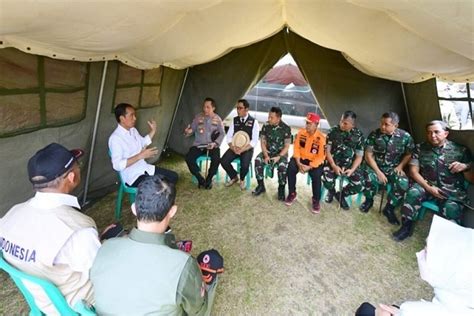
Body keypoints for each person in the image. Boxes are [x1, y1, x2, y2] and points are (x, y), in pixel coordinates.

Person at [91, 176, 222, 315]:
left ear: (134, 209)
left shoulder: (105, 247)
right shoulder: (183, 265)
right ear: (172, 211)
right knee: (211, 265)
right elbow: (198, 312)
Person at [0, 143, 99, 314]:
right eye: (78, 166)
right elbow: (100, 271)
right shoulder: (78, 230)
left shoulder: (10, 215)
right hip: (77, 305)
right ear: (71, 177)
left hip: (40, 300)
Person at [356, 215, 473, 316]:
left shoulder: (411, 310)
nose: (420, 254)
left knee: (365, 310)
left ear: (448, 265)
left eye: (427, 252)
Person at [392, 120, 472, 241]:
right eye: (429, 133)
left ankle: (446, 240)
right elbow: (414, 172)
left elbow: (471, 179)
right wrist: (429, 188)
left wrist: (465, 167)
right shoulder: (420, 148)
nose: (432, 136)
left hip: (451, 191)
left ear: (446, 133)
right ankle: (406, 227)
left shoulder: (461, 150)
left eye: (436, 132)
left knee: (452, 208)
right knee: (413, 193)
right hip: (426, 185)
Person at [360, 112, 414, 225]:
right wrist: (378, 172)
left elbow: (409, 154)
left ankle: (389, 208)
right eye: (381, 123)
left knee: (403, 182)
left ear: (395, 125)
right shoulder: (374, 134)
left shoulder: (405, 137)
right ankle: (369, 201)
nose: (382, 127)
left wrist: (400, 166)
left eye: (386, 124)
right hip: (375, 166)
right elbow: (368, 155)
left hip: (393, 168)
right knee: (369, 177)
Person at [109, 103, 178, 187]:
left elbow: (142, 143)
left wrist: (153, 130)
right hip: (132, 176)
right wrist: (140, 156)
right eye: (132, 115)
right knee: (159, 185)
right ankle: (156, 198)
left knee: (173, 177)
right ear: (122, 118)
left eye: (135, 115)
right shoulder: (115, 138)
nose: (135, 118)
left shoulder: (133, 130)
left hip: (143, 168)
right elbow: (117, 165)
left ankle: (161, 196)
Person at [322, 110, 365, 210]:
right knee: (326, 178)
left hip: (349, 165)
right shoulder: (333, 131)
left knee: (359, 185)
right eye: (341, 121)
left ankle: (341, 194)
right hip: (333, 163)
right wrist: (333, 165)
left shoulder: (358, 135)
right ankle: (331, 191)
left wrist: (352, 169)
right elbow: (327, 151)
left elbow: (359, 156)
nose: (341, 124)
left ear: (352, 125)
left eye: (345, 123)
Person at [285, 112, 326, 213]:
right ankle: (292, 193)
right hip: (300, 159)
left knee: (317, 175)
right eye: (306, 123)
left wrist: (310, 166)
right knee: (291, 168)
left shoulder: (321, 138)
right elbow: (296, 148)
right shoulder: (301, 133)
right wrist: (298, 163)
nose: (307, 125)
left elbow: (321, 157)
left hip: (313, 162)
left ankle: (316, 200)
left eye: (309, 123)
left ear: (316, 125)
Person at [184, 97, 225, 189]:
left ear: (213, 108)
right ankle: (200, 179)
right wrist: (187, 131)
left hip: (212, 145)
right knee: (188, 158)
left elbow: (222, 134)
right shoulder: (198, 117)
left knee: (216, 158)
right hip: (199, 145)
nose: (205, 109)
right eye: (204, 107)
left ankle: (209, 178)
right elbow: (192, 129)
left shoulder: (218, 119)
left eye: (208, 107)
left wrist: (215, 143)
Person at [252, 107, 291, 200]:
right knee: (257, 160)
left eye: (271, 117)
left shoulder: (286, 128)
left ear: (278, 118)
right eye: (269, 116)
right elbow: (263, 142)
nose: (269, 119)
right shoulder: (266, 125)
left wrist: (278, 157)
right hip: (268, 152)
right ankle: (261, 186)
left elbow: (287, 146)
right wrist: (265, 155)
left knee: (282, 167)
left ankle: (281, 188)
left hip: (281, 154)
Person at [221, 99, 260, 190]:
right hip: (235, 146)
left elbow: (254, 141)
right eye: (237, 108)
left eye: (240, 108)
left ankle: (242, 179)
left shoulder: (254, 122)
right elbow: (229, 136)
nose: (238, 110)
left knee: (245, 164)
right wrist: (233, 147)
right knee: (223, 161)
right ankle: (234, 176)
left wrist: (242, 150)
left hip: (247, 148)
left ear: (246, 109)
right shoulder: (235, 120)